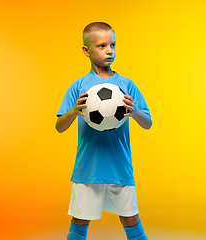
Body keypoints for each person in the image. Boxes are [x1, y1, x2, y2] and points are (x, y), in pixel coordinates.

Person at [56, 22, 152, 240]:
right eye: (101, 46)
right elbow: (59, 127)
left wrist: (134, 111)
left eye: (113, 44)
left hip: (119, 167)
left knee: (131, 219)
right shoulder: (78, 86)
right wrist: (74, 111)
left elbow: (147, 123)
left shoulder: (127, 85)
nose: (109, 50)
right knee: (79, 223)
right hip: (88, 169)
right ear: (86, 51)